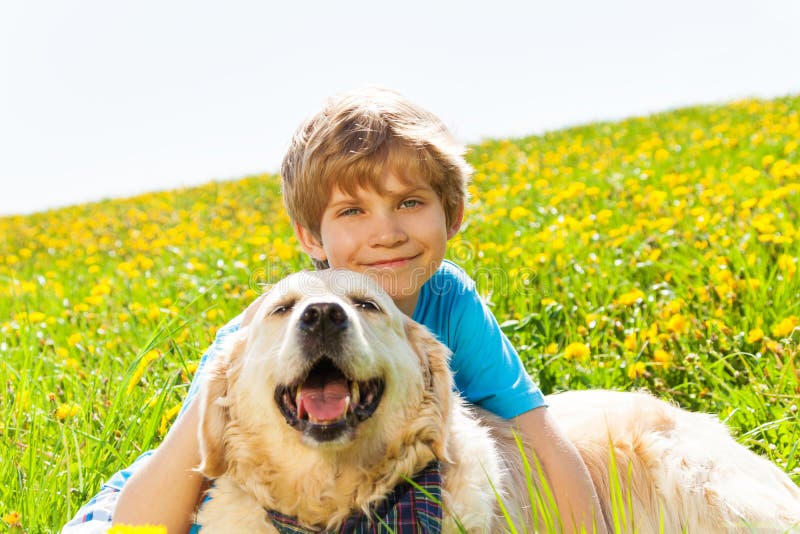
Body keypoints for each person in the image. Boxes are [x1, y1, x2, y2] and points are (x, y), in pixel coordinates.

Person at [64, 86, 607, 533]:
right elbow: (174, 484)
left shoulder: (451, 300)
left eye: (410, 203)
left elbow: (538, 430)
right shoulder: (264, 327)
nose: (387, 234)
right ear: (310, 236)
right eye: (352, 210)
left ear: (454, 215)